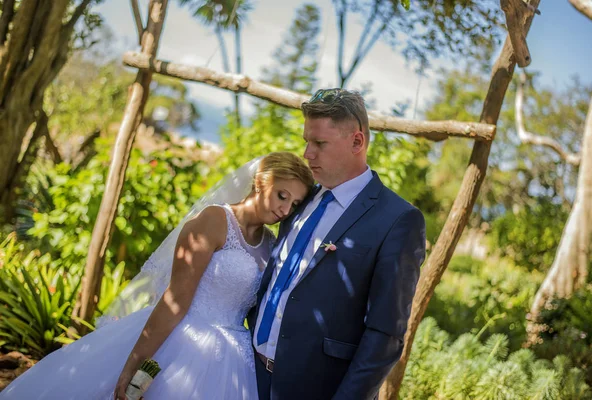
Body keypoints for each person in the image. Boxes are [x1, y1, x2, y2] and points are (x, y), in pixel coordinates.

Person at [0, 152, 313, 400]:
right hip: (180, 340)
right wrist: (133, 365)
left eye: (295, 203)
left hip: (232, 359)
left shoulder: (273, 244)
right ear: (260, 182)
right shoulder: (216, 220)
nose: (285, 209)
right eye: (281, 195)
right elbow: (175, 300)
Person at [248, 88, 427, 400]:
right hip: (246, 372)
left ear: (357, 142)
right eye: (306, 141)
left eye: (319, 143)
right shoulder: (300, 198)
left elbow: (385, 335)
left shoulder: (398, 220)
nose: (307, 153)